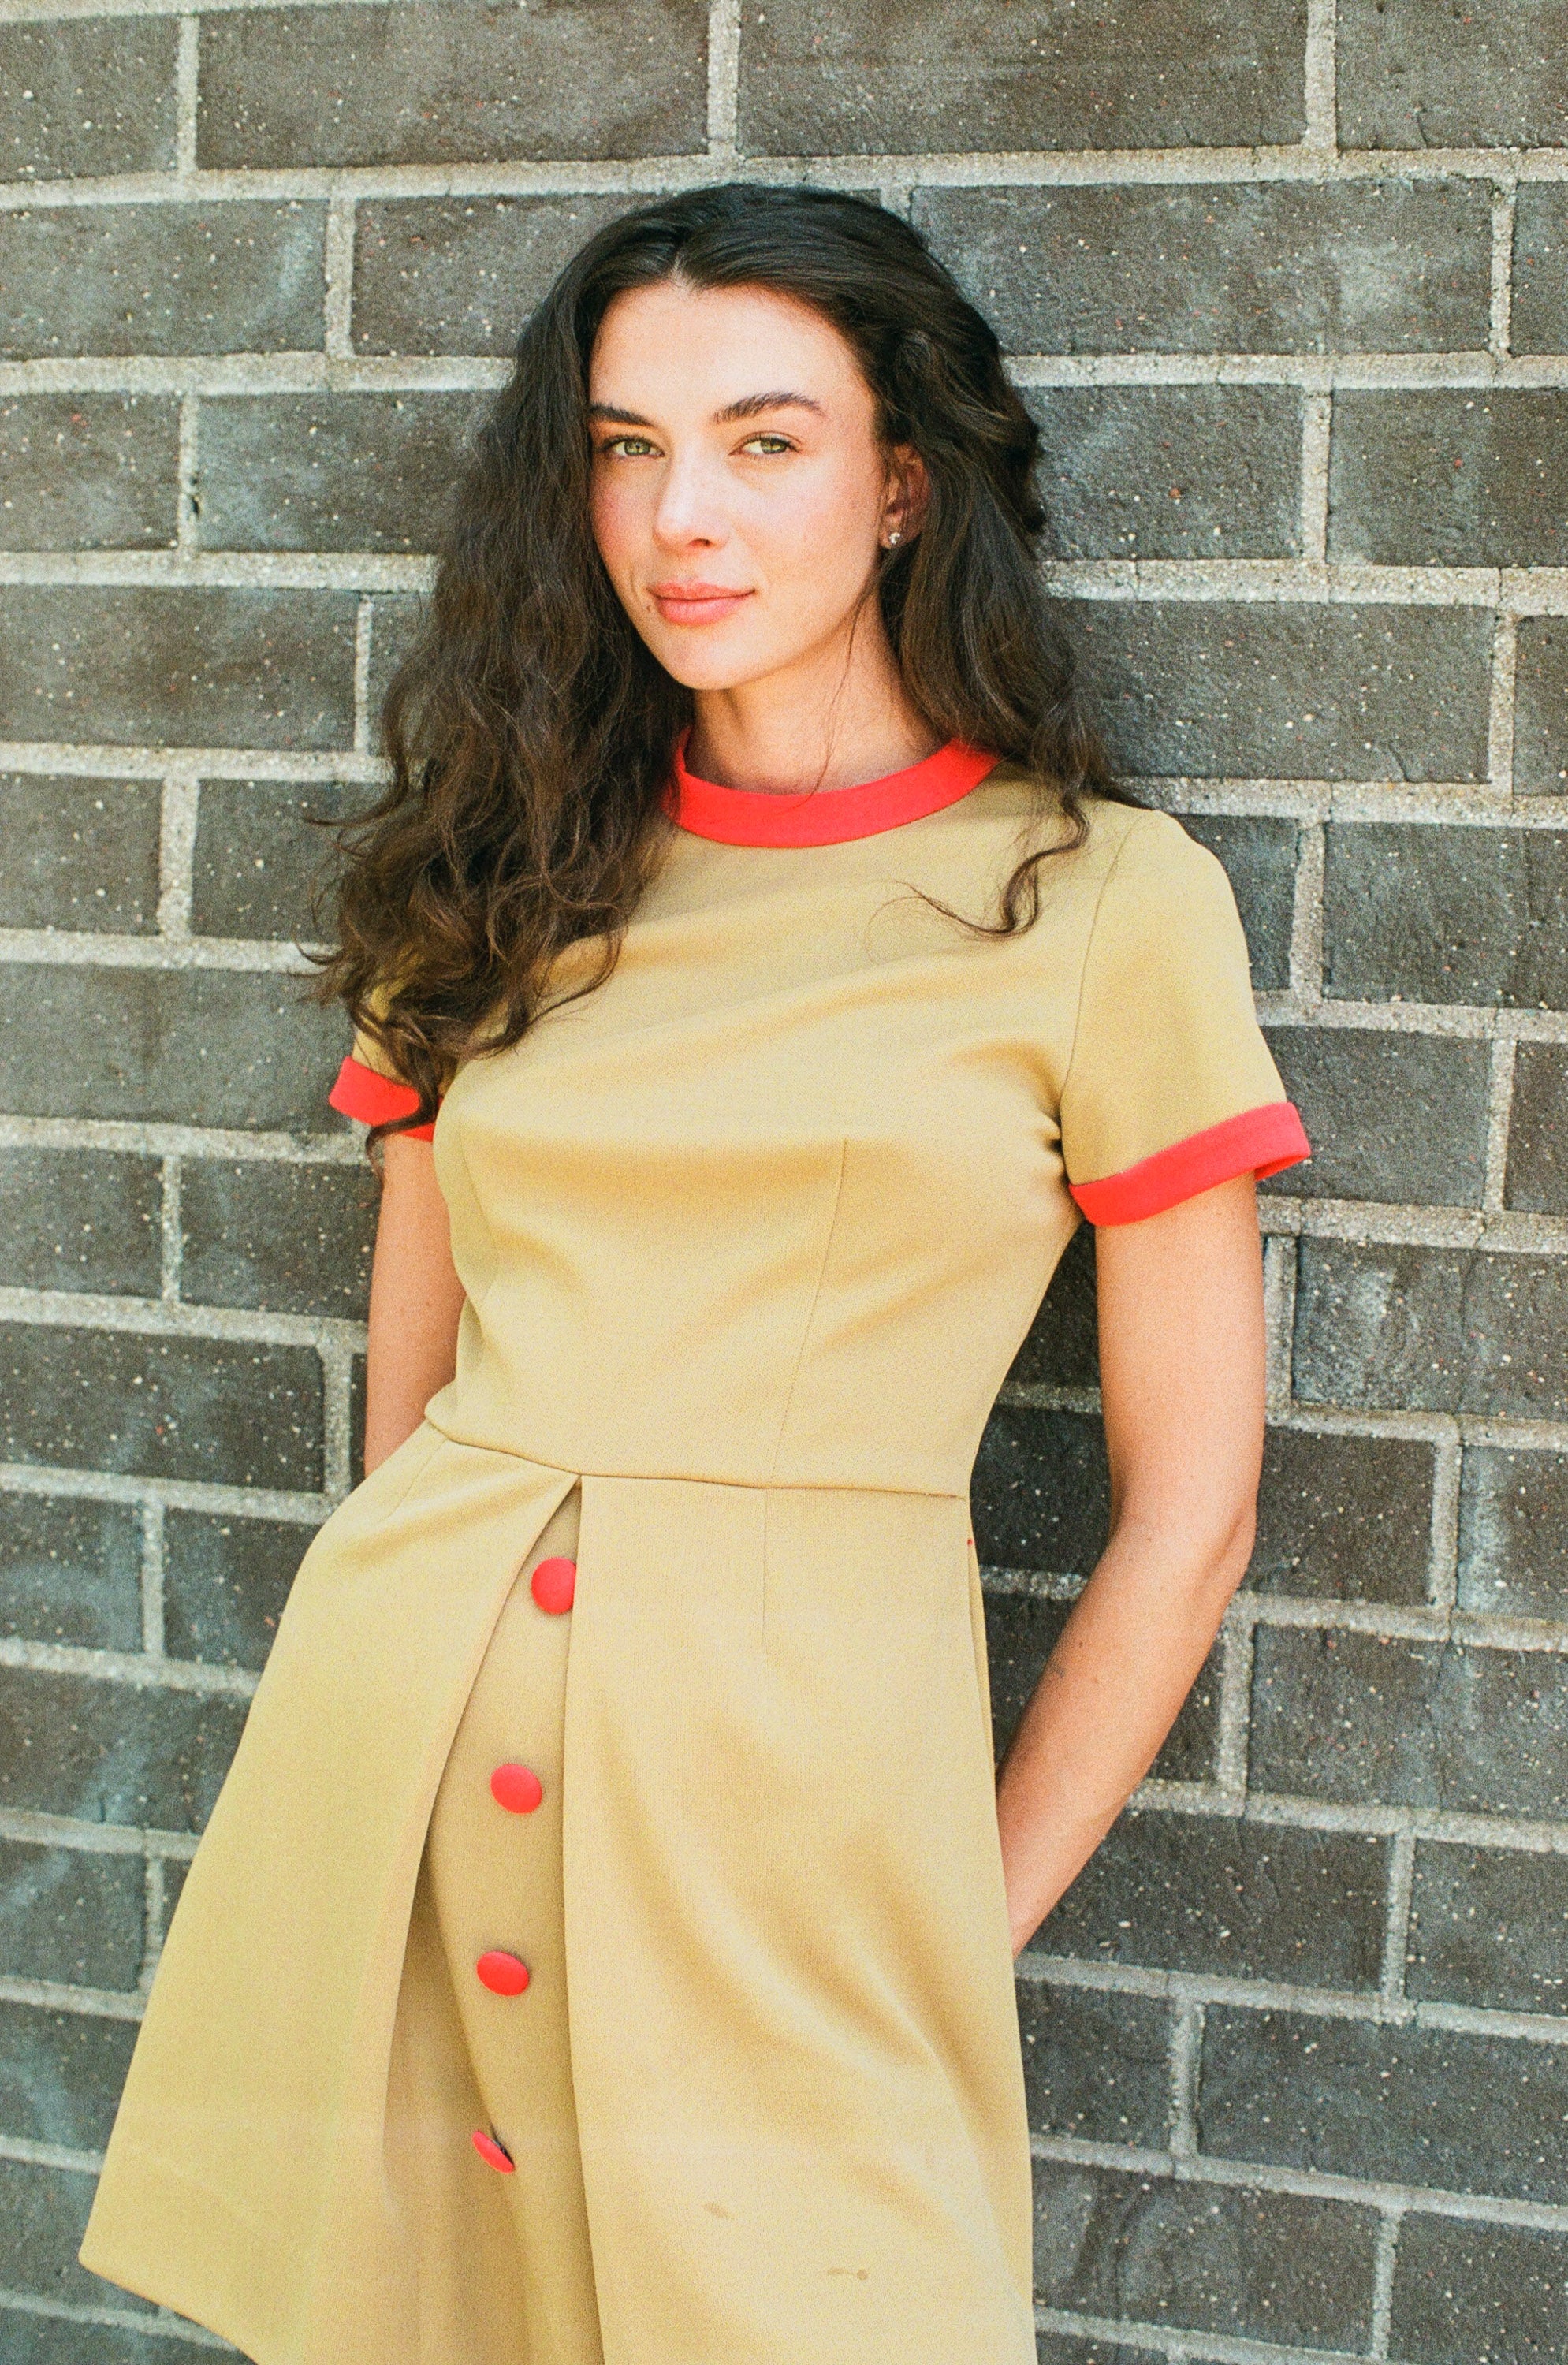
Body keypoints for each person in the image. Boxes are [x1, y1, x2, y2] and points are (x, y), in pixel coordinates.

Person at [80, 184, 1309, 2365]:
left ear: (904, 482)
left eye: (764, 440)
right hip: (408, 1772)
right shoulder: (499, 862)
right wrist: (412, 1689)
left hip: (796, 1857)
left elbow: (1191, 1513)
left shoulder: (1102, 903)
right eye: (627, 447)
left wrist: (962, 1908)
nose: (682, 517)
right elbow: (417, 1394)